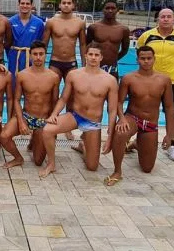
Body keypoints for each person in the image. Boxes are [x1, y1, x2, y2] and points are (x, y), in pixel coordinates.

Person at [39, 42, 118, 177]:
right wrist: (54, 114)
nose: (93, 57)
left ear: (101, 57)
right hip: (75, 116)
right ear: (85, 56)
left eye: (96, 55)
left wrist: (110, 135)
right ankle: (51, 164)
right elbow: (63, 98)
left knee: (92, 167)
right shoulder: (74, 75)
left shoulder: (110, 80)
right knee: (47, 130)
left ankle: (83, 146)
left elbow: (112, 110)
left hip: (93, 123)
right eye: (91, 54)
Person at [103, 46, 174, 186]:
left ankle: (135, 144)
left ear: (154, 59)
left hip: (151, 123)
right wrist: (122, 119)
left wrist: (169, 135)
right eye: (143, 58)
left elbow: (169, 107)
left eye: (149, 58)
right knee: (120, 132)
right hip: (133, 118)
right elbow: (119, 102)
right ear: (137, 60)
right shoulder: (129, 78)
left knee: (147, 168)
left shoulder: (164, 80)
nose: (146, 61)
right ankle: (117, 171)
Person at [137, 8, 174, 162]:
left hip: (173, 82)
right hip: (150, 81)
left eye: (169, 17)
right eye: (163, 17)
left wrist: (173, 72)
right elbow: (141, 53)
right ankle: (141, 141)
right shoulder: (147, 36)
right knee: (145, 112)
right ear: (158, 19)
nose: (166, 19)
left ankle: (172, 145)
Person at [0, 41, 59, 169]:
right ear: (31, 55)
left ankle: (35, 139)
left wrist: (52, 125)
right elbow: (16, 99)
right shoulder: (22, 75)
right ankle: (18, 158)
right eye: (35, 54)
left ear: (45, 55)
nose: (38, 57)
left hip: (43, 120)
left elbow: (55, 102)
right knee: (4, 136)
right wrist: (21, 121)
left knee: (38, 161)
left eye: (41, 54)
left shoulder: (53, 77)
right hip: (26, 116)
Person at [43, 0, 86, 80]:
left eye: (69, 3)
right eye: (64, 3)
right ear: (60, 5)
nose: (66, 5)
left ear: (73, 5)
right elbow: (45, 44)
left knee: (73, 92)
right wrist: (42, 64)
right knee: (52, 91)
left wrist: (84, 65)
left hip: (71, 62)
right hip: (55, 62)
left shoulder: (80, 23)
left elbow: (83, 45)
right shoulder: (51, 22)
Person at [86, 0, 130, 79]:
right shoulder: (93, 27)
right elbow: (86, 46)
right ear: (103, 10)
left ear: (117, 10)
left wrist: (113, 59)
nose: (110, 10)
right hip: (95, 66)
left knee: (113, 89)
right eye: (107, 8)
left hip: (112, 67)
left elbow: (125, 50)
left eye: (113, 8)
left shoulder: (123, 29)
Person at [7, 0, 45, 87]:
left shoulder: (39, 23)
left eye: (27, 4)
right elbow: (7, 42)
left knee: (31, 86)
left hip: (31, 57)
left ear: (31, 6)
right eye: (22, 3)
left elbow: (41, 44)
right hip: (14, 57)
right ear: (18, 5)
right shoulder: (10, 21)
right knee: (13, 85)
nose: (25, 5)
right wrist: (11, 54)